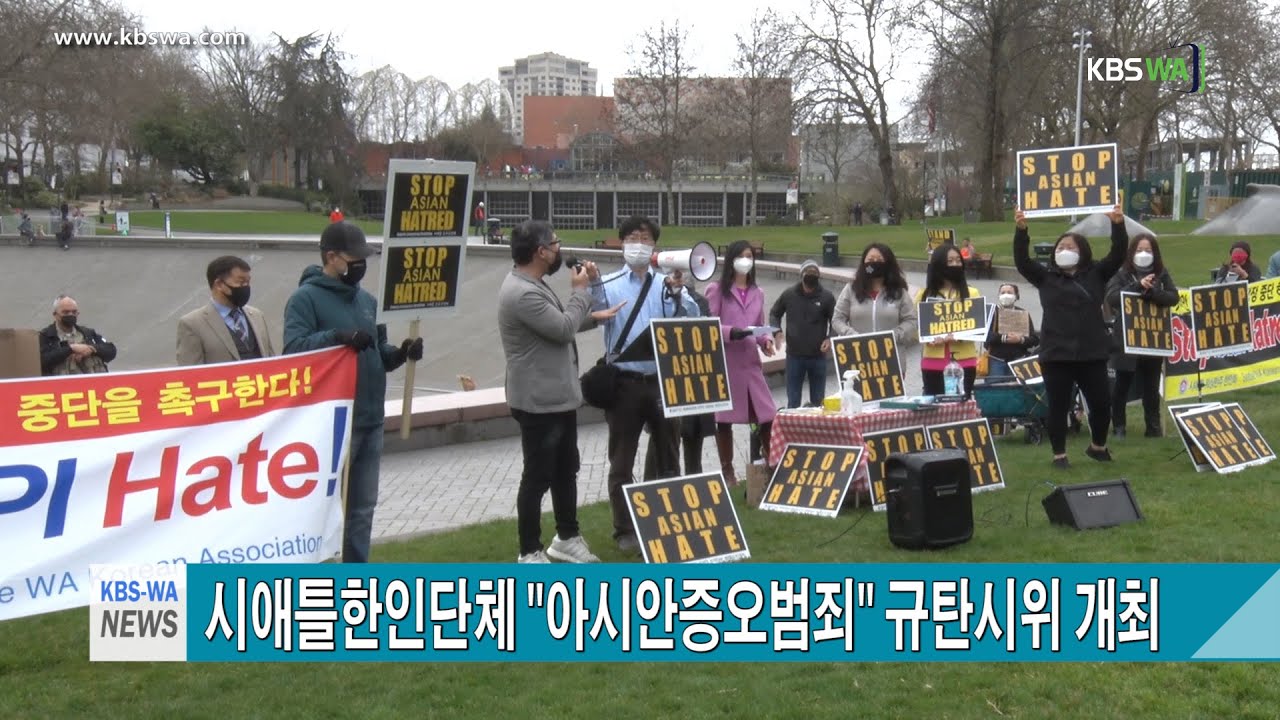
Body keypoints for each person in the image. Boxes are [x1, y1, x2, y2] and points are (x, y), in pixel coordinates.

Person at [283, 221, 423, 563]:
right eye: (353, 258)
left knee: (362, 508)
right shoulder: (305, 300)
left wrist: (402, 353)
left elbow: (379, 353)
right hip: (330, 422)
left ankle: (357, 574)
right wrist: (337, 337)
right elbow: (293, 351)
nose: (360, 265)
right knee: (324, 507)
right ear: (331, 257)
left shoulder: (368, 301)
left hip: (370, 416)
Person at [498, 220, 623, 564]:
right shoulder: (521, 292)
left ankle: (566, 537)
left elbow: (557, 323)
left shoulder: (532, 284)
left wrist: (594, 315)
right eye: (555, 244)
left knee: (566, 469)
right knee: (537, 476)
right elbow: (563, 326)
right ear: (540, 252)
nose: (559, 250)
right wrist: (580, 292)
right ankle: (529, 550)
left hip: (558, 396)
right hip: (538, 401)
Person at [588, 215, 699, 554]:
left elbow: (690, 319)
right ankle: (624, 529)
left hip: (661, 380)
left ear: (655, 246)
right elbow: (593, 312)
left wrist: (681, 292)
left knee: (668, 453)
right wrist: (591, 284)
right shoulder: (609, 284)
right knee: (622, 460)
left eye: (646, 237)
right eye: (633, 237)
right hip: (624, 383)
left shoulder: (665, 284)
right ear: (622, 243)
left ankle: (663, 521)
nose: (639, 242)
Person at [1014, 203, 1128, 469]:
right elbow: (1022, 261)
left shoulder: (1097, 273)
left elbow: (1119, 252)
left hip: (1092, 352)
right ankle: (1059, 454)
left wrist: (1118, 224)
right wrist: (1021, 231)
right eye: (1061, 247)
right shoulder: (1045, 277)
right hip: (1056, 353)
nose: (1066, 251)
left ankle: (1098, 446)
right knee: (1058, 405)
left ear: (1083, 252)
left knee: (1101, 403)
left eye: (1072, 247)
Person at [707, 240, 778, 487]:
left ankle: (770, 463)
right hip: (728, 363)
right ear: (732, 260)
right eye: (742, 256)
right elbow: (709, 325)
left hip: (751, 364)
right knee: (724, 418)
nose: (746, 260)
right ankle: (727, 471)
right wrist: (730, 332)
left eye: (750, 256)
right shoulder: (717, 290)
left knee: (766, 415)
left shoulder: (758, 293)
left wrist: (766, 340)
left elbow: (760, 324)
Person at [1105, 233, 1179, 438]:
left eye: (1148, 250)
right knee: (1122, 385)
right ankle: (1119, 426)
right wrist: (1137, 286)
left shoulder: (1161, 274)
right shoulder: (1121, 274)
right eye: (1139, 250)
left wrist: (1154, 291)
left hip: (1153, 338)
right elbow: (1112, 298)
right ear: (1131, 253)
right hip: (1127, 338)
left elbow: (1173, 298)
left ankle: (1153, 427)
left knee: (1151, 386)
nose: (1144, 254)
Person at [643, 275, 716, 478]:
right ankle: (659, 480)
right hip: (675, 378)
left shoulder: (697, 302)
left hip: (688, 376)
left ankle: (680, 480)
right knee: (668, 438)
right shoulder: (659, 300)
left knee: (678, 439)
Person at [177, 255, 278, 365]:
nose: (245, 287)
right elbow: (189, 373)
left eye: (248, 282)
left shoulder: (257, 316)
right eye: (240, 282)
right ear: (219, 284)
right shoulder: (192, 324)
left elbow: (270, 360)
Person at [915, 244, 982, 397]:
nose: (955, 264)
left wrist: (960, 335)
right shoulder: (923, 295)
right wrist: (928, 338)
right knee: (935, 409)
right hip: (933, 361)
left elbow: (978, 327)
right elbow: (915, 327)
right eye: (950, 261)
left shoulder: (972, 293)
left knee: (961, 407)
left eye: (958, 260)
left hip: (964, 360)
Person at [769, 259, 836, 408]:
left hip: (818, 355)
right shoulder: (789, 294)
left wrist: (830, 338)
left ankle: (817, 429)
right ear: (801, 275)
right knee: (793, 401)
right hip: (794, 356)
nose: (811, 276)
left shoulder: (827, 297)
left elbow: (836, 320)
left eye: (814, 274)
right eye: (808, 273)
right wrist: (777, 331)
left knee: (818, 402)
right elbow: (774, 313)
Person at [831, 243, 919, 351]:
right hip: (858, 354)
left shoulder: (899, 292)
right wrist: (851, 334)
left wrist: (894, 335)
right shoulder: (851, 289)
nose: (874, 263)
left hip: (891, 355)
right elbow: (837, 319)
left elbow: (911, 320)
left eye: (879, 260)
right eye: (871, 259)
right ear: (863, 262)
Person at [39, 295, 117, 376]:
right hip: (62, 386)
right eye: (66, 312)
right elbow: (41, 361)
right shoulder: (45, 336)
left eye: (74, 312)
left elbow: (111, 350)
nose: (71, 315)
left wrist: (91, 349)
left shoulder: (88, 333)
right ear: (55, 315)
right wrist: (70, 349)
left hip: (94, 384)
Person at [984, 283, 1038, 377]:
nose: (1006, 295)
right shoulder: (991, 313)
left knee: (1017, 390)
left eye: (1009, 292)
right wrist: (1004, 338)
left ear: (1016, 296)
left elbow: (1034, 339)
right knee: (995, 389)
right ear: (999, 295)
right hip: (996, 360)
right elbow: (985, 336)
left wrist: (1020, 340)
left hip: (1018, 361)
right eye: (1003, 292)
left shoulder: (1023, 314)